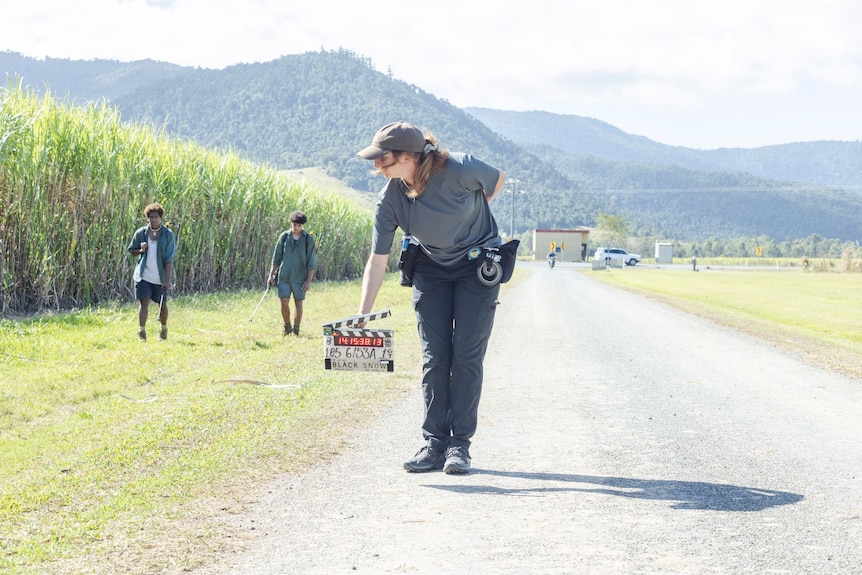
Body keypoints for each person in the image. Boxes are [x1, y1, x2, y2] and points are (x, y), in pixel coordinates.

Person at [356, 121, 506, 475]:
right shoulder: (391, 198)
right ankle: (434, 442)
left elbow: (497, 180)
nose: (377, 167)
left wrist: (472, 210)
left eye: (383, 160)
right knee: (435, 357)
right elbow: (377, 260)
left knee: (466, 355)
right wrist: (362, 313)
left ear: (407, 157)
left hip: (477, 267)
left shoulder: (461, 168)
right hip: (431, 270)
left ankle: (460, 446)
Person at [127, 202, 175, 341]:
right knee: (144, 303)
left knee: (162, 304)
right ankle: (141, 332)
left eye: (156, 217)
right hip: (144, 275)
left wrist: (166, 280)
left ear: (160, 217)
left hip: (159, 276)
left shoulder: (168, 235)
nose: (153, 219)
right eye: (150, 217)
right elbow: (132, 251)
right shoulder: (141, 233)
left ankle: (163, 328)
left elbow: (169, 259)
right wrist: (141, 250)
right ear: (147, 218)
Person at [268, 210, 318, 336]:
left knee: (298, 303)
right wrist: (271, 275)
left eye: (299, 225)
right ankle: (287, 327)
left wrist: (308, 281)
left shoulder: (308, 240)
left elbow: (312, 262)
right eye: (294, 225)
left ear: (302, 225)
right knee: (284, 302)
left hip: (300, 278)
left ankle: (296, 330)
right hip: (284, 276)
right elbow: (276, 257)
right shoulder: (284, 237)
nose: (296, 228)